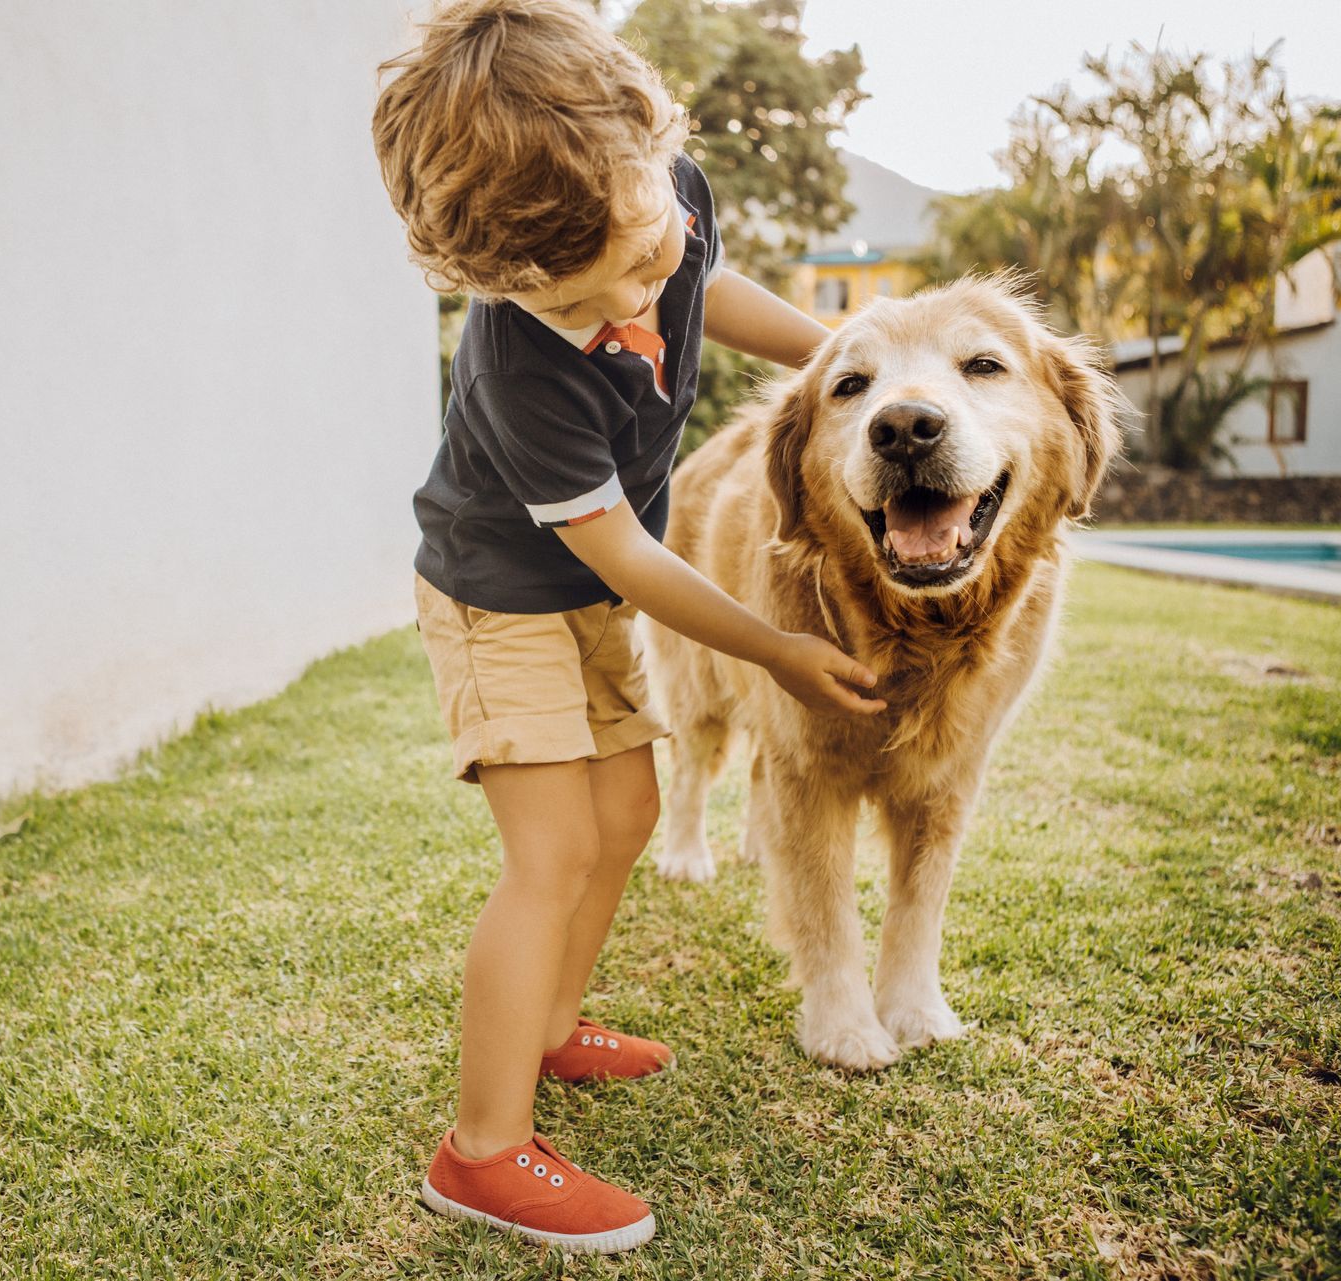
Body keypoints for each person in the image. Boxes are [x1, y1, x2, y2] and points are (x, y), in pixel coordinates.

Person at [372, 0, 886, 1254]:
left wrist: (850, 360)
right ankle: (482, 1151)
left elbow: (713, 278)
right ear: (504, 279)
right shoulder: (519, 366)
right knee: (550, 852)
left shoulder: (654, 191)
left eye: (657, 241)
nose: (657, 281)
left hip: (588, 591)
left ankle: (550, 1028)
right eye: (619, 284)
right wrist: (772, 650)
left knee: (633, 813)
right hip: (502, 600)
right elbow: (629, 554)